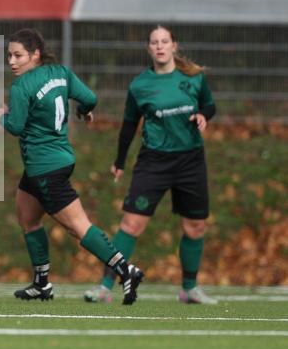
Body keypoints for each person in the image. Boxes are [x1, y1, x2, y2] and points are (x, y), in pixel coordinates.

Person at [0, 29, 145, 305]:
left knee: (79, 226)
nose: (12, 62)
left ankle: (126, 271)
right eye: (9, 56)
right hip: (57, 161)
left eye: (18, 55)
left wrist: (0, 116)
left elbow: (15, 126)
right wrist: (82, 111)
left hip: (45, 169)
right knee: (28, 219)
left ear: (35, 54)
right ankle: (42, 283)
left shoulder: (21, 86)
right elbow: (90, 98)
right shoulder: (61, 73)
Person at [85, 25, 217, 305]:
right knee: (131, 224)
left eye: (164, 41)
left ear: (173, 46)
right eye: (155, 42)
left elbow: (209, 105)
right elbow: (129, 124)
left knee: (196, 227)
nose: (160, 46)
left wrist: (203, 116)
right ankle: (105, 287)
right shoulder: (140, 85)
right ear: (149, 48)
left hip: (190, 160)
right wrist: (120, 161)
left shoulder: (193, 77)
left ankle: (189, 289)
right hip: (154, 161)